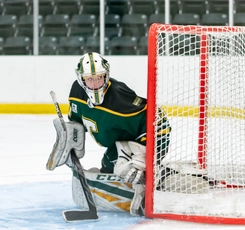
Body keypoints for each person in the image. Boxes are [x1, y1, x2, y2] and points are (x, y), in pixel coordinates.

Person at [46, 52, 172, 216]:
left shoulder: (119, 97)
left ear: (107, 75)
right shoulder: (76, 93)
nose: (95, 83)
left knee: (129, 171)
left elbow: (158, 121)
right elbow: (76, 122)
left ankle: (162, 179)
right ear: (81, 79)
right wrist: (69, 140)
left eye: (99, 77)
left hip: (142, 139)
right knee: (108, 171)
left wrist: (143, 158)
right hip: (119, 142)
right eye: (89, 79)